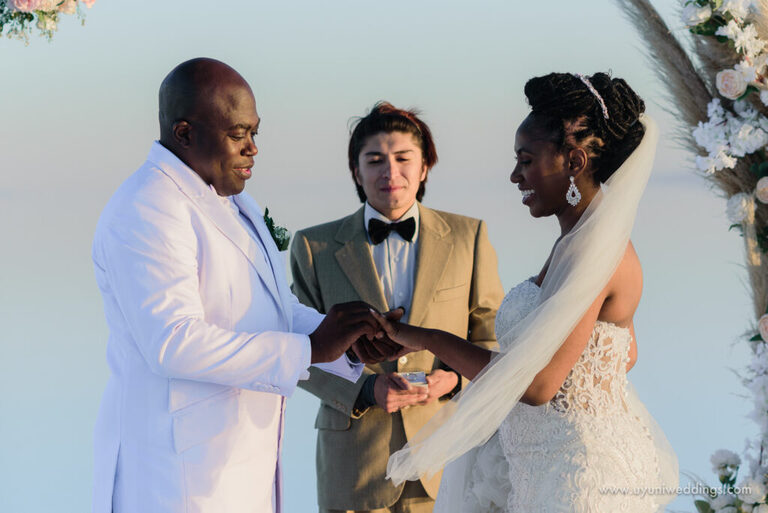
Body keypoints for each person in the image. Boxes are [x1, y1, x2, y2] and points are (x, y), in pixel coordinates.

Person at [90, 58, 396, 513]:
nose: (253, 148)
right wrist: (311, 349)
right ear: (184, 133)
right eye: (237, 135)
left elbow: (272, 309)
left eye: (255, 133)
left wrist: (345, 340)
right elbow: (173, 342)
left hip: (241, 468)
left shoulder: (236, 201)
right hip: (175, 480)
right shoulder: (148, 206)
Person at [374, 73, 679, 512]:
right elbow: (622, 354)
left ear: (574, 162)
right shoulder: (577, 242)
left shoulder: (596, 251)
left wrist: (428, 339)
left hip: (579, 480)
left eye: (526, 160)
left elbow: (538, 385)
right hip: (542, 469)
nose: (515, 175)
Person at [290, 101, 504, 513]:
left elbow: (492, 336)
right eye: (375, 160)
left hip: (447, 461)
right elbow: (298, 352)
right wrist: (367, 389)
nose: (390, 172)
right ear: (356, 171)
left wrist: (455, 381)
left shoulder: (468, 236)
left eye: (404, 158)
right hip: (353, 466)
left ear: (424, 167)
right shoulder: (312, 247)